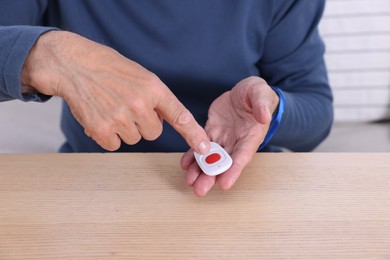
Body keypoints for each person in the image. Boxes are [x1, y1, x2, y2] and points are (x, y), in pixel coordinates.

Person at [0, 0, 333, 196]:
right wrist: (45, 54)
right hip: (98, 183)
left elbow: (315, 108)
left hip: (236, 189)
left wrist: (270, 109)